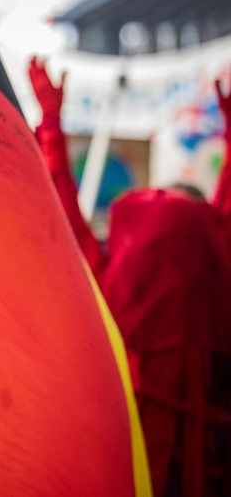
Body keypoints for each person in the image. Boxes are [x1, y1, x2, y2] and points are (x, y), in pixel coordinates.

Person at [28, 58, 231, 496]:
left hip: (123, 456)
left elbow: (60, 202)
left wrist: (50, 118)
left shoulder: (104, 280)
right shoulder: (219, 276)